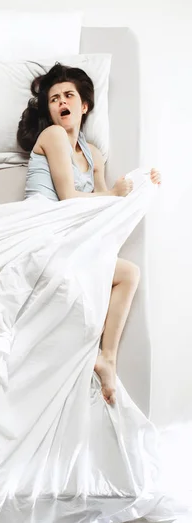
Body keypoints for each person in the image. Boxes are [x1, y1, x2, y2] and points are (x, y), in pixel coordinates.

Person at [17, 63, 161, 406]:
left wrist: (143, 184)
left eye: (69, 96)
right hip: (44, 224)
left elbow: (100, 210)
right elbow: (68, 198)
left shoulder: (93, 154)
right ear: (49, 109)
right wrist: (113, 193)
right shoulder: (52, 136)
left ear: (84, 106)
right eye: (54, 98)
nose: (61, 102)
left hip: (73, 232)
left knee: (129, 273)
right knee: (74, 281)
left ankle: (106, 357)